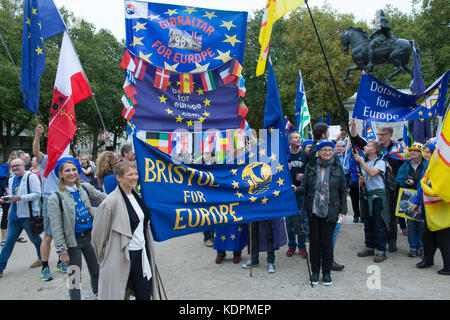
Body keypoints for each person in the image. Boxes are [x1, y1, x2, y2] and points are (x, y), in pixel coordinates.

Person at [91, 161, 163, 299]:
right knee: (118, 294)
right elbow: (97, 237)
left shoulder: (137, 198)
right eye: (130, 174)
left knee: (144, 294)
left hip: (141, 254)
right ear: (119, 177)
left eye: (136, 174)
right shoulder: (109, 202)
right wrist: (106, 259)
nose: (134, 177)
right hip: (121, 256)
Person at [47, 157, 107, 300]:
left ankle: (98, 295)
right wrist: (62, 251)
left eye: (74, 170)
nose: (72, 173)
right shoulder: (55, 198)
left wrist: (124, 196)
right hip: (72, 242)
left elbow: (103, 198)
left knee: (96, 270)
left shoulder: (84, 187)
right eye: (67, 170)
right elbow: (56, 228)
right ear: (60, 174)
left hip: (90, 237)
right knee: (74, 275)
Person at [293, 139, 347, 286]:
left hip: (331, 211)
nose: (327, 152)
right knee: (315, 243)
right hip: (313, 211)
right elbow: (304, 187)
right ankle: (315, 272)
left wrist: (343, 211)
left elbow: (343, 190)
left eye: (330, 149)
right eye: (324, 150)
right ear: (319, 152)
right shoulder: (310, 167)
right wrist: (296, 189)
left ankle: (327, 273)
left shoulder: (337, 168)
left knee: (327, 243)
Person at [349, 119, 406, 252]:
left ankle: (391, 240)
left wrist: (399, 182)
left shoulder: (397, 149)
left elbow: (403, 167)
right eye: (379, 134)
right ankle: (374, 241)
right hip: (372, 188)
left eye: (383, 134)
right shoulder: (373, 147)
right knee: (373, 215)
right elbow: (356, 140)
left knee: (390, 215)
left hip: (390, 187)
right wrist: (353, 126)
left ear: (390, 135)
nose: (380, 136)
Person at [33, 124, 68, 281]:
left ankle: (62, 260)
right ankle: (45, 266)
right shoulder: (46, 159)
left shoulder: (66, 161)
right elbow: (35, 152)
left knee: (66, 233)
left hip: (64, 197)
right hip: (49, 199)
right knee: (48, 235)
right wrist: (37, 135)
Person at [0, 158, 42, 277]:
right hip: (14, 217)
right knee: (8, 242)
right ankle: (0, 268)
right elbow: (13, 195)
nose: (15, 168)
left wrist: (21, 198)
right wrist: (6, 199)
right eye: (13, 166)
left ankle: (42, 257)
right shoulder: (12, 178)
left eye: (17, 165)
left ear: (24, 165)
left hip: (28, 216)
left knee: (35, 239)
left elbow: (38, 194)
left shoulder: (31, 177)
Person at [413, 143, 450, 275]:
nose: (426, 154)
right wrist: (417, 202)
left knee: (443, 238)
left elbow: (444, 186)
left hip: (440, 210)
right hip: (428, 208)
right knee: (427, 235)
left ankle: (448, 266)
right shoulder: (428, 166)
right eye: (426, 152)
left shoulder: (442, 167)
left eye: (429, 152)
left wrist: (432, 184)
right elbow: (420, 187)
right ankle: (428, 260)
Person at [354, 140, 389, 263]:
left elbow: (372, 173)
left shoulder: (380, 162)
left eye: (368, 146)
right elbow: (364, 177)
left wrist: (361, 161)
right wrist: (361, 182)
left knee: (379, 222)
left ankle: (381, 250)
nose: (365, 147)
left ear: (374, 150)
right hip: (366, 195)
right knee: (368, 222)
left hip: (377, 196)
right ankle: (369, 246)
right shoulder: (367, 162)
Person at [396, 143, 427, 257]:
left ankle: (422, 246)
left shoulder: (426, 165)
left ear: (421, 153)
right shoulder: (405, 165)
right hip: (409, 197)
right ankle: (413, 247)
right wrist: (405, 183)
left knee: (422, 223)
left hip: (423, 197)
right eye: (412, 150)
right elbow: (398, 179)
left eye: (416, 151)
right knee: (411, 223)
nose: (413, 152)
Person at [286, 131, 309, 258]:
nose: (299, 139)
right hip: (288, 192)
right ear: (289, 140)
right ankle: (291, 245)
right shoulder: (285, 155)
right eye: (296, 137)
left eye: (300, 137)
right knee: (289, 220)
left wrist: (304, 177)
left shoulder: (305, 155)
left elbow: (311, 172)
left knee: (301, 219)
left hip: (300, 191)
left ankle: (302, 247)